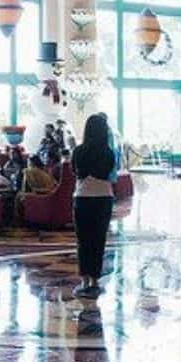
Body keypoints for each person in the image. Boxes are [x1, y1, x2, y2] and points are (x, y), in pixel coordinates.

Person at [71, 113, 118, 299]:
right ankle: (95, 281)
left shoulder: (79, 151)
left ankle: (84, 280)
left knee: (83, 241)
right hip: (103, 197)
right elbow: (106, 174)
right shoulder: (108, 152)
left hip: (82, 196)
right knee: (99, 240)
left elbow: (76, 172)